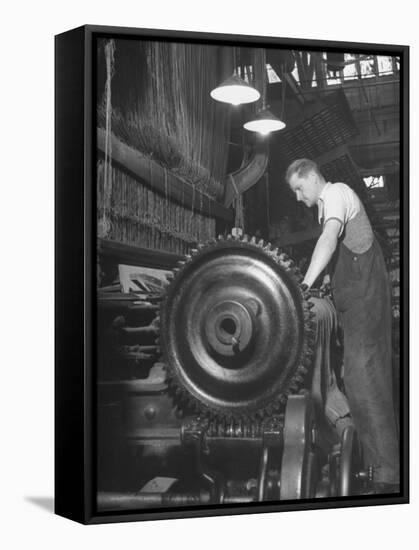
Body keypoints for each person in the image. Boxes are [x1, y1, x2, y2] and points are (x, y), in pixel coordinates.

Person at [286, 158, 399, 494]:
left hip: (365, 301)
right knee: (357, 376)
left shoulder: (336, 194)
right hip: (355, 305)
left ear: (311, 177)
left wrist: (303, 285)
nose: (297, 197)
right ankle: (372, 464)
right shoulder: (326, 206)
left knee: (365, 378)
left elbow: (330, 239)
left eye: (298, 188)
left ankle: (387, 476)